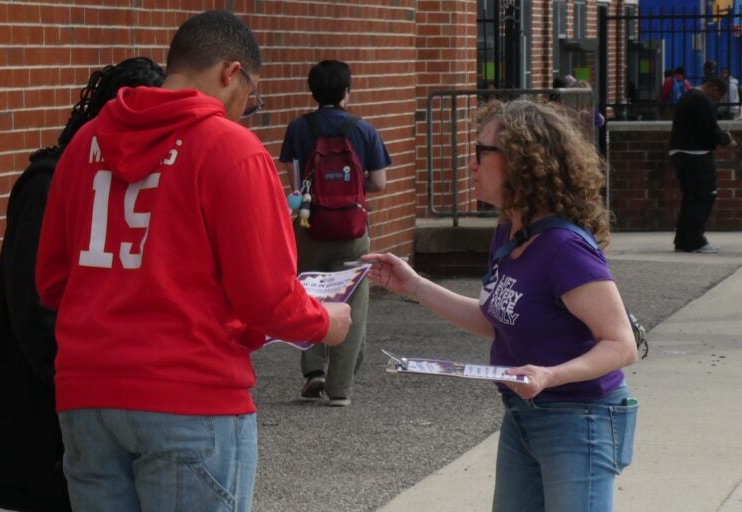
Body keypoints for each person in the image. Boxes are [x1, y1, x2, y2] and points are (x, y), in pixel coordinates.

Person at [35, 11, 351, 512]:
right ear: (231, 73)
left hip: (87, 393)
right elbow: (266, 297)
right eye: (251, 94)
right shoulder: (230, 149)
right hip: (191, 392)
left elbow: (52, 282)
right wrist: (324, 323)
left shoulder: (84, 146)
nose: (246, 107)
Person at [364, 99, 639, 511]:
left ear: (521, 163)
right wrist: (416, 286)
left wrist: (550, 374)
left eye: (481, 153)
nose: (470, 165)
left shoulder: (564, 248)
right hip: (524, 414)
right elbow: (496, 320)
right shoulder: (510, 233)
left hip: (580, 419)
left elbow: (621, 345)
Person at [0, 56, 165, 512]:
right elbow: (35, 306)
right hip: (44, 415)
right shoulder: (51, 181)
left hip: (89, 404)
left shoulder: (121, 183)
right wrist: (86, 384)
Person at [279, 60, 391, 407]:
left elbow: (294, 181)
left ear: (313, 92)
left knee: (309, 294)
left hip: (310, 225)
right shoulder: (363, 129)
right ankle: (340, 389)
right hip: (352, 229)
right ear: (347, 91)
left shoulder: (298, 128)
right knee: (352, 302)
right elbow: (378, 182)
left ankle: (315, 372)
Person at [669, 77, 735, 253]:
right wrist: (726, 139)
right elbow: (709, 128)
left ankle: (683, 240)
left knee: (691, 197)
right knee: (704, 195)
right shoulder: (700, 100)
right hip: (696, 154)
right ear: (713, 88)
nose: (716, 101)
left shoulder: (688, 96)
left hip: (681, 152)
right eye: (717, 97)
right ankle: (695, 240)